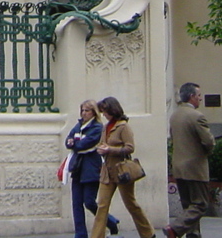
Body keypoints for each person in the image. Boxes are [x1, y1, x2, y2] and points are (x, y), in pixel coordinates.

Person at [91, 96, 156, 238]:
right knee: (102, 205)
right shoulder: (105, 127)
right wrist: (100, 148)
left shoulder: (123, 126)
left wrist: (110, 149)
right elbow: (102, 143)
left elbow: (130, 148)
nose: (104, 115)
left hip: (122, 170)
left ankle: (148, 233)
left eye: (105, 112)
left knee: (130, 203)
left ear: (112, 110)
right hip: (107, 171)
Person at [164, 82, 215, 238]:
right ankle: (175, 228)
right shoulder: (197, 116)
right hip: (195, 168)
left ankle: (193, 234)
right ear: (192, 97)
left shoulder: (175, 115)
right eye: (199, 96)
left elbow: (173, 139)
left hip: (179, 167)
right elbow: (208, 142)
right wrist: (208, 151)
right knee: (200, 204)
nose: (200, 99)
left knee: (188, 206)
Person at [65, 99, 120, 237]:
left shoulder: (97, 127)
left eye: (87, 111)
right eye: (82, 110)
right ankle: (80, 234)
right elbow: (69, 140)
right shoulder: (79, 125)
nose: (84, 113)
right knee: (76, 203)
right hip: (77, 167)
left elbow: (85, 143)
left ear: (93, 112)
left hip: (91, 168)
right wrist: (72, 142)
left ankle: (110, 221)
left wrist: (74, 143)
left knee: (89, 202)